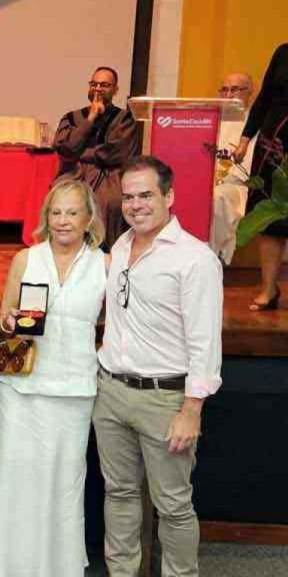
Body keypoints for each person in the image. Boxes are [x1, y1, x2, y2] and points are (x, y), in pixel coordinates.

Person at [93, 156, 223, 577]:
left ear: (169, 196)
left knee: (173, 507)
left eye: (146, 195)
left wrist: (191, 409)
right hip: (110, 392)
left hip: (165, 401)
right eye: (128, 197)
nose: (136, 205)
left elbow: (205, 341)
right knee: (119, 494)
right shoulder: (121, 245)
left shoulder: (195, 259)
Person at [0, 178, 107, 576]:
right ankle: (9, 566)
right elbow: (3, 318)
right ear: (46, 216)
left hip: (74, 390)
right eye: (56, 212)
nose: (63, 220)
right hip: (23, 388)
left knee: (64, 486)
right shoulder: (27, 259)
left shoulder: (105, 264)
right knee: (17, 479)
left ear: (88, 218)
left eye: (72, 212)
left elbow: (113, 323)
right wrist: (10, 320)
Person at [54, 66, 141, 248]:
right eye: (94, 84)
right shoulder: (71, 117)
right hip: (74, 174)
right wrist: (91, 118)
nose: (98, 89)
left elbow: (116, 152)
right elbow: (64, 148)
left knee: (111, 202)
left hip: (109, 176)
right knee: (61, 196)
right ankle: (65, 251)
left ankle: (106, 253)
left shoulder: (125, 119)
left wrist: (80, 152)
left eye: (104, 85)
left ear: (116, 89)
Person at [233, 44, 288, 309]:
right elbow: (264, 98)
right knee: (269, 219)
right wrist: (245, 140)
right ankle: (268, 289)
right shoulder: (282, 52)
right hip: (271, 147)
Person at [211, 72, 256, 264]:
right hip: (208, 181)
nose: (229, 95)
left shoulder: (255, 123)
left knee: (217, 197)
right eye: (225, 90)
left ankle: (211, 258)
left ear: (250, 93)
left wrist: (222, 178)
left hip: (238, 186)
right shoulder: (211, 120)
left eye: (235, 90)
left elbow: (250, 164)